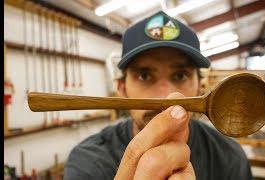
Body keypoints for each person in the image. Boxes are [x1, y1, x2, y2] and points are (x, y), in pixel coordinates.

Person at [64, 11, 252, 180]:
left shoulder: (229, 156)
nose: (166, 97)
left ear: (200, 89)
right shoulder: (88, 161)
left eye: (180, 75)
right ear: (122, 89)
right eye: (144, 75)